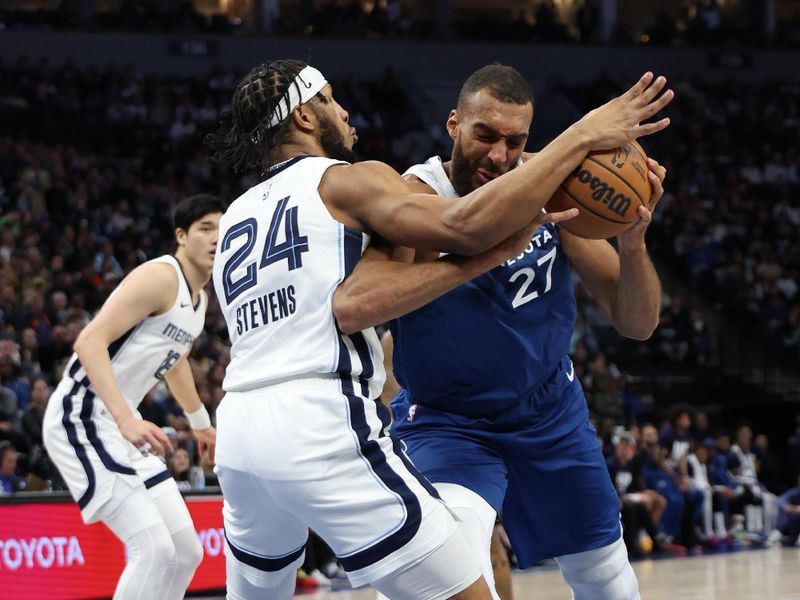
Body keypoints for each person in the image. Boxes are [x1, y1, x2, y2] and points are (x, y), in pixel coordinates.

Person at [205, 59, 671, 600]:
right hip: (447, 423)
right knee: (448, 567)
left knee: (606, 577)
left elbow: (638, 324)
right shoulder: (397, 192)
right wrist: (581, 136)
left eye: (515, 141)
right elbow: (363, 295)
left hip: (547, 412)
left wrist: (633, 242)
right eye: (484, 136)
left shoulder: (552, 194)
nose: (499, 155)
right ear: (453, 126)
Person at [42, 194, 224, 600]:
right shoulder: (162, 276)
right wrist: (125, 417)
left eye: (222, 227)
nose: (216, 236)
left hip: (118, 427)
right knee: (153, 549)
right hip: (82, 417)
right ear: (181, 236)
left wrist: (201, 426)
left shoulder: (199, 302)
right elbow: (89, 341)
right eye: (205, 228)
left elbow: (175, 363)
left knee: (185, 552)